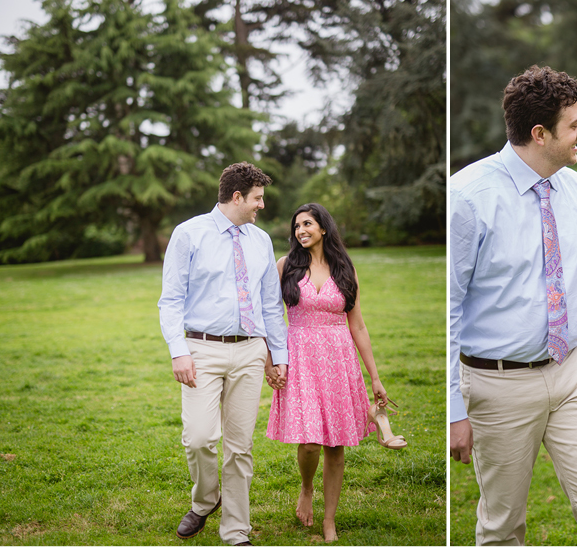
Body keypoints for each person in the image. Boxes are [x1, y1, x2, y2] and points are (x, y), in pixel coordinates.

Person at [450, 65, 577, 546]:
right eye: (575, 125)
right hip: (497, 386)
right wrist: (454, 408)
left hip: (571, 374)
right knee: (503, 523)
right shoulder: (466, 198)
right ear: (540, 134)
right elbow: (450, 309)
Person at [158, 162, 288, 546]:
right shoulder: (189, 234)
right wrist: (178, 351)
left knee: (239, 447)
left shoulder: (260, 240)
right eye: (257, 199)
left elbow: (270, 304)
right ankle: (205, 500)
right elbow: (170, 300)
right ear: (237, 197)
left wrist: (277, 354)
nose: (260, 206)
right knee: (199, 438)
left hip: (249, 350)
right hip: (201, 349)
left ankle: (235, 531)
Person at [266, 202, 403, 544]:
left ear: (323, 228)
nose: (301, 231)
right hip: (299, 357)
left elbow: (357, 325)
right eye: (297, 226)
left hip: (339, 358)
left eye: (308, 224)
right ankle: (306, 487)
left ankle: (330, 519)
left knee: (335, 444)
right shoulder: (286, 266)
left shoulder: (345, 268)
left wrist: (375, 376)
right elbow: (269, 318)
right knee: (310, 442)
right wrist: (272, 360)